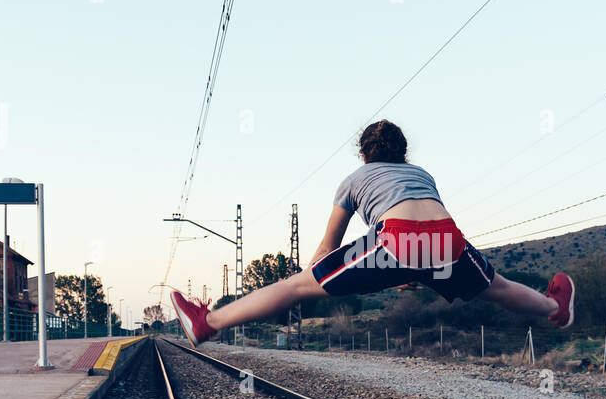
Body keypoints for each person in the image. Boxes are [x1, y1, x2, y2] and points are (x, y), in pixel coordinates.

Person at [170, 119, 574, 344]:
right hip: (446, 238)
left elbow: (327, 247)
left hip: (397, 240)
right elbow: (426, 231)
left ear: (363, 154)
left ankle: (208, 322)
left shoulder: (354, 178)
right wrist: (411, 270)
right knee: (499, 287)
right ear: (404, 153)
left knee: (293, 286)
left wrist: (314, 280)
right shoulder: (422, 174)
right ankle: (557, 309)